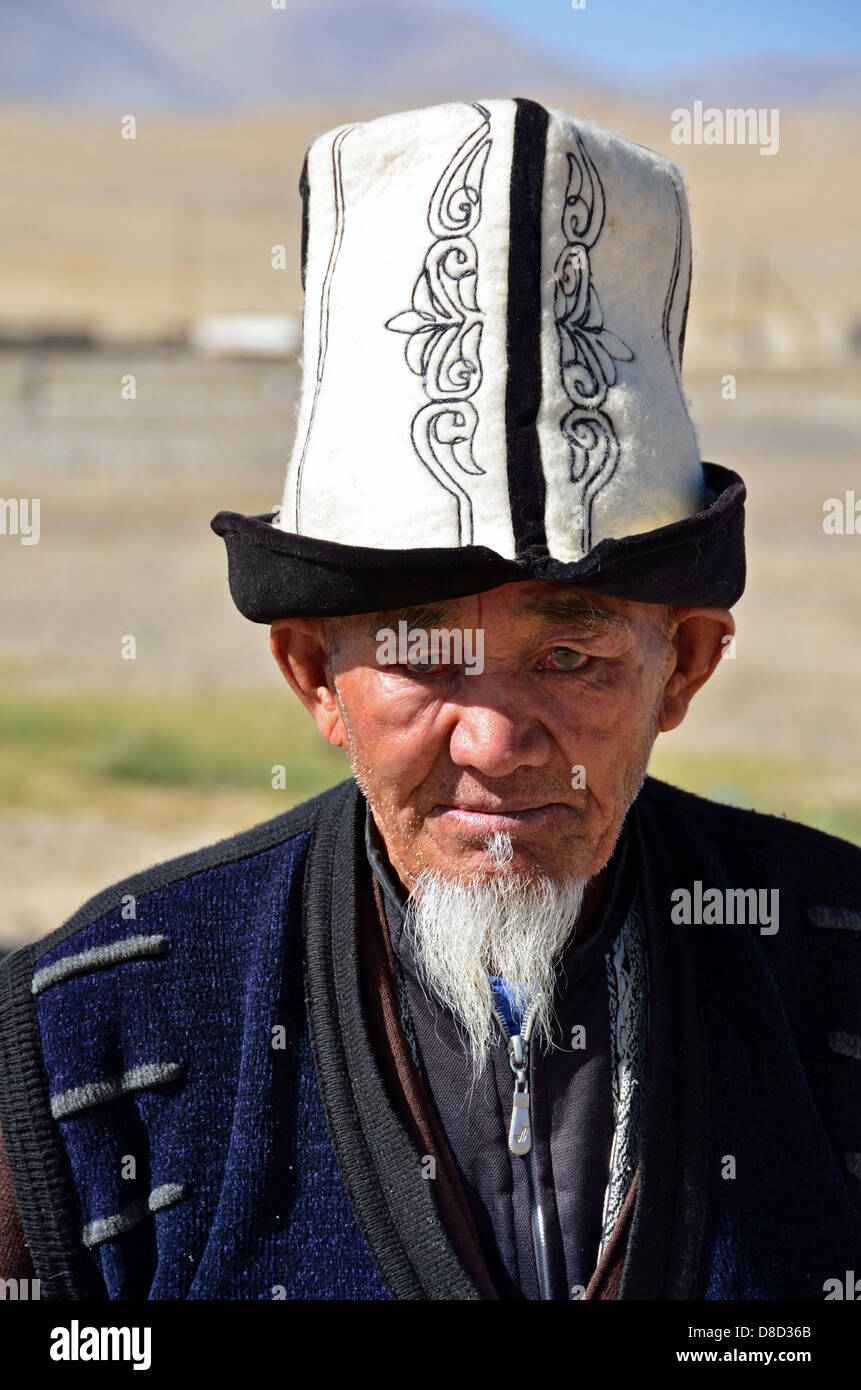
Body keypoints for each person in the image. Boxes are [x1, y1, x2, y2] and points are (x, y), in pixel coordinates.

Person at [0, 97, 858, 1302]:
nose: (498, 741)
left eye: (574, 657)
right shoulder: (92, 1045)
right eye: (421, 651)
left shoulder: (839, 971)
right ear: (314, 675)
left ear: (689, 666)